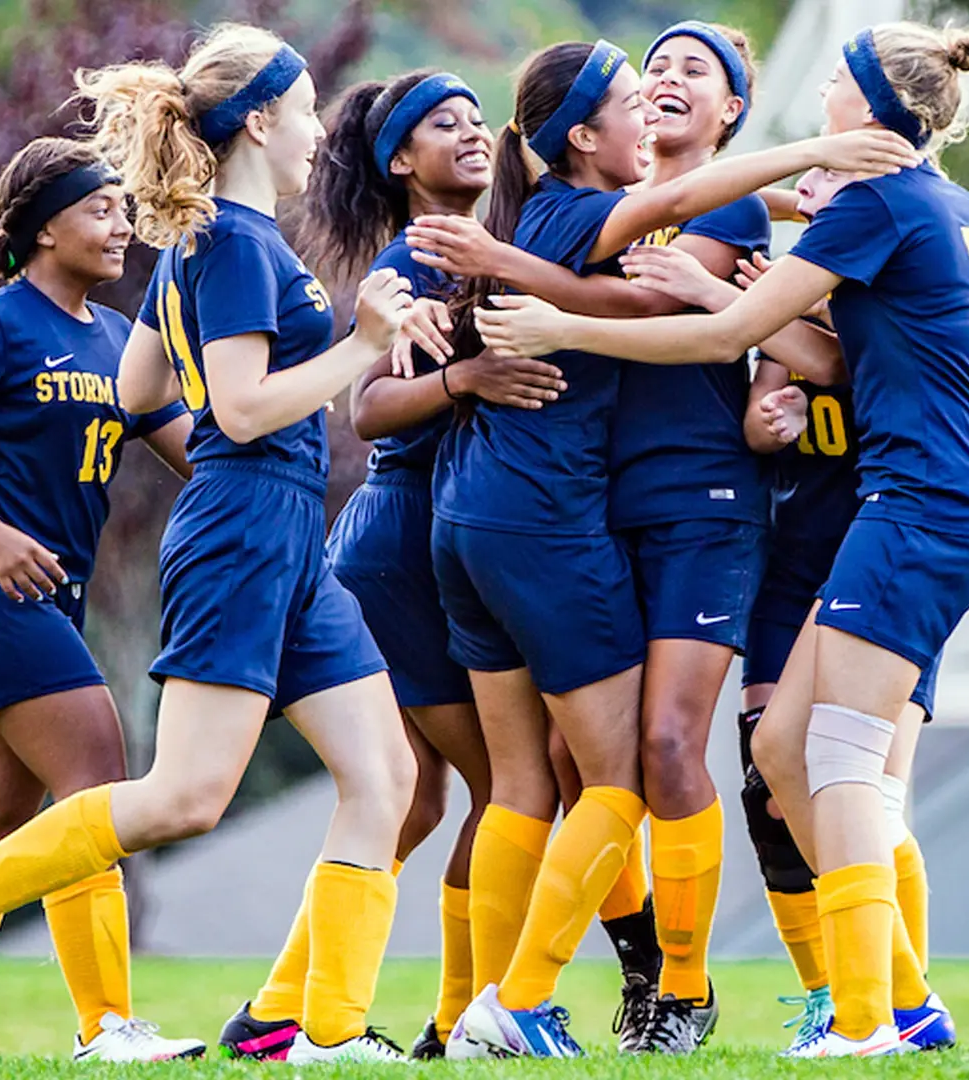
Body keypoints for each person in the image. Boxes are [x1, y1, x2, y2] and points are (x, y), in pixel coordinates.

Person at [0, 25, 419, 1066]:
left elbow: (135, 393)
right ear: (260, 120)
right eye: (307, 108)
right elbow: (249, 409)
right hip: (248, 526)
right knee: (183, 797)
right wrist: (360, 346)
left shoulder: (211, 247)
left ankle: (326, 1032)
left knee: (383, 777)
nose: (317, 130)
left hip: (287, 533)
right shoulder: (227, 244)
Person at [475, 21, 969, 1057]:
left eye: (834, 92)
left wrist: (568, 327)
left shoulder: (879, 200)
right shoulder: (945, 203)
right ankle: (904, 1001)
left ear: (872, 109)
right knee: (778, 750)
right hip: (927, 502)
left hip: (920, 505)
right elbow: (808, 342)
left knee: (845, 761)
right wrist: (725, 297)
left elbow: (728, 335)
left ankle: (866, 1019)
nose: (819, 107)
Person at [0, 136, 204, 1065]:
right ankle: (106, 1028)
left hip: (56, 596)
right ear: (42, 227)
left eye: (123, 211)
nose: (120, 226)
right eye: (100, 210)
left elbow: (197, 451)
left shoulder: (115, 338)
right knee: (96, 774)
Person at [624, 166, 952, 1053]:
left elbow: (849, 362)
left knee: (869, 786)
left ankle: (901, 999)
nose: (812, 190)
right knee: (775, 786)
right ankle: (851, 996)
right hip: (795, 559)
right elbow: (770, 400)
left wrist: (724, 298)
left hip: (890, 548)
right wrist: (768, 422)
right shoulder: (780, 273)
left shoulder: (897, 266)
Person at [293, 66, 565, 1061]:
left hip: (423, 537)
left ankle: (286, 1009)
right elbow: (365, 409)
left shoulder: (478, 241)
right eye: (439, 124)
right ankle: (462, 1016)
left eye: (473, 119)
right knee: (507, 786)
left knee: (412, 800)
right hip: (401, 538)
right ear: (400, 159)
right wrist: (469, 377)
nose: (468, 131)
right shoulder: (411, 258)